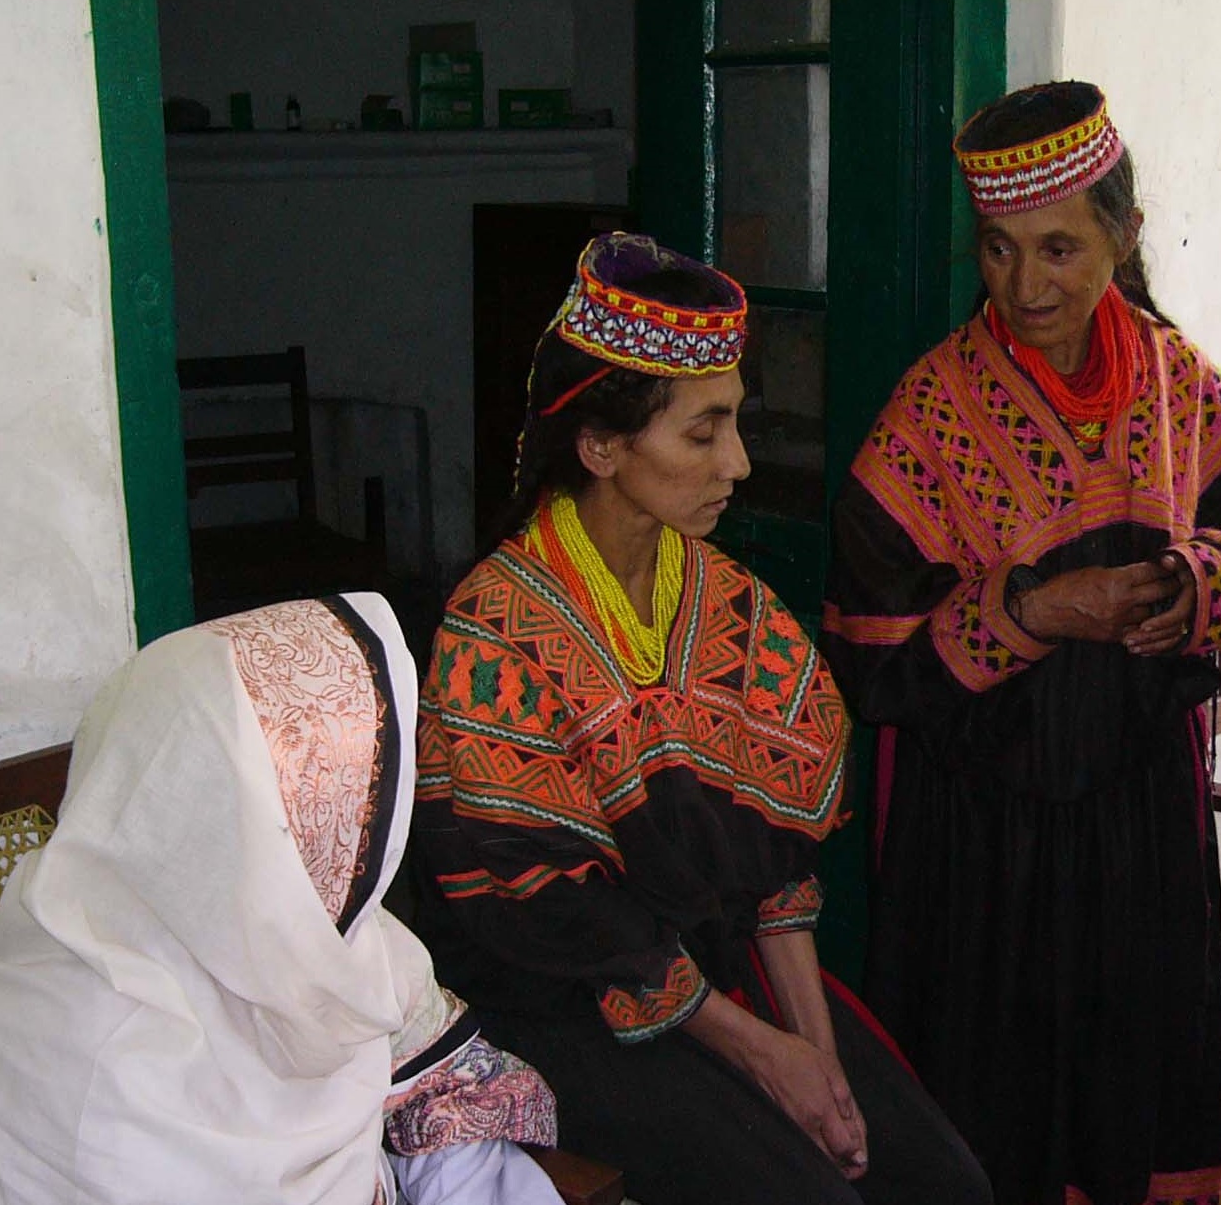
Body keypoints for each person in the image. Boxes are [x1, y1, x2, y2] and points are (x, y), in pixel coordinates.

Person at [407, 232, 991, 1205]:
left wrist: (815, 1053)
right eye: (702, 430)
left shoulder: (734, 605)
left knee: (944, 1183)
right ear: (600, 444)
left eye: (735, 423)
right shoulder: (494, 632)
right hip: (561, 1006)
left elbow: (776, 868)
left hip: (716, 977)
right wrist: (763, 1055)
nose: (739, 461)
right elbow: (547, 917)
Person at [819, 81, 1221, 1205]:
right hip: (982, 840)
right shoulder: (932, 410)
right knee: (997, 1108)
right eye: (996, 251)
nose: (1024, 285)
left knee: (1131, 1094)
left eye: (1057, 249)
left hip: (1139, 819)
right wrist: (1034, 611)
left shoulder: (1179, 383)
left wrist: (1194, 589)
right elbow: (872, 654)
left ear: (1121, 237)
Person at [0, 594, 563, 1205]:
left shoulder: (316, 934)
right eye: (347, 794)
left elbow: (453, 1124)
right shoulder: (80, 1071)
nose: (366, 824)